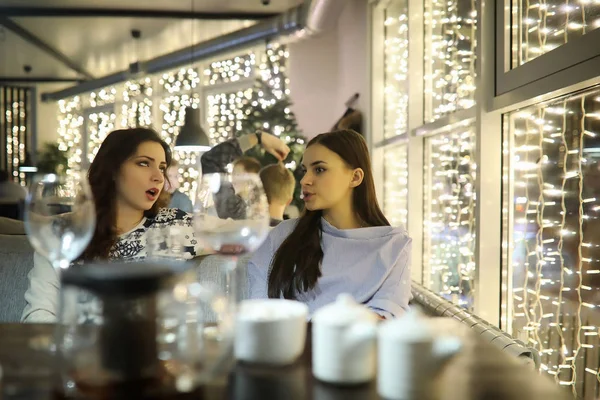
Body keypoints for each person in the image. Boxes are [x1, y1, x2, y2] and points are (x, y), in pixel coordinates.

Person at [21, 128, 205, 323]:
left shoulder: (178, 225)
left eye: (161, 167)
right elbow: (37, 314)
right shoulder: (61, 232)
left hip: (150, 349)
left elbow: (234, 234)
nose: (159, 177)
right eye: (144, 163)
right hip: (79, 348)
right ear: (113, 170)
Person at [247, 129, 411, 319]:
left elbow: (386, 316)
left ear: (355, 177)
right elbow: (257, 309)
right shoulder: (282, 235)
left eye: (319, 170)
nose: (305, 180)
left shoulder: (394, 246)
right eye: (304, 170)